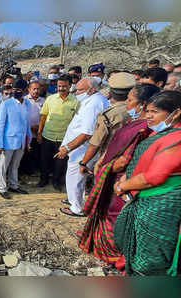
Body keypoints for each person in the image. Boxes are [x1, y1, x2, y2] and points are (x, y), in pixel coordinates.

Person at [79, 83, 160, 268]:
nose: (127, 104)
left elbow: (125, 160)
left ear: (144, 104)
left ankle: (114, 254)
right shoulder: (138, 125)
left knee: (113, 215)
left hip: (121, 180)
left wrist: (106, 167)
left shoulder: (143, 129)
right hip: (118, 177)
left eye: (131, 100)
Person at [113, 90, 181, 276]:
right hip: (146, 199)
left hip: (160, 205)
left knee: (152, 254)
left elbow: (154, 176)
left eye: (155, 112)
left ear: (176, 113)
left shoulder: (176, 140)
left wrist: (122, 186)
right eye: (147, 111)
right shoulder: (162, 133)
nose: (148, 116)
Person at [56, 77, 108, 217]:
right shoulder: (92, 100)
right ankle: (74, 200)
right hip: (80, 148)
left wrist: (67, 147)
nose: (76, 92)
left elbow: (86, 133)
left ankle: (77, 208)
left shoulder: (94, 104)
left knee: (76, 177)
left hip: (82, 149)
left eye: (80, 90)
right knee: (76, 177)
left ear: (91, 90)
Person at [79, 72, 136, 175]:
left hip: (110, 159)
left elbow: (95, 144)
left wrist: (83, 163)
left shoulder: (108, 115)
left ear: (111, 91)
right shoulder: (142, 111)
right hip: (133, 160)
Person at [37, 75, 79, 190]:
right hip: (47, 136)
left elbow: (77, 121)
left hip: (64, 138)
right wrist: (39, 133)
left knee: (60, 162)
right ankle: (43, 179)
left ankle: (57, 181)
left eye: (64, 86)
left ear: (70, 86)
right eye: (59, 86)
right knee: (44, 160)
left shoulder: (76, 102)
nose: (61, 88)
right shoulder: (50, 99)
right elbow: (43, 116)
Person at [0, 79, 31, 199]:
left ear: (25, 91)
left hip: (21, 141)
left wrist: (28, 139)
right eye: (14, 90)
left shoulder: (27, 103)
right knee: (3, 166)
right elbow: (0, 125)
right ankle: (2, 187)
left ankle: (14, 185)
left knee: (15, 165)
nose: (15, 92)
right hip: (7, 141)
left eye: (18, 90)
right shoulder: (6, 104)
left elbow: (27, 123)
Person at [19, 81, 45, 176]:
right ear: (29, 89)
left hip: (39, 132)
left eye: (38, 89)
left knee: (36, 152)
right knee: (25, 153)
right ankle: (24, 172)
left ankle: (34, 171)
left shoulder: (44, 101)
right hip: (26, 132)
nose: (36, 91)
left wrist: (39, 129)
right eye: (34, 89)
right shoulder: (24, 100)